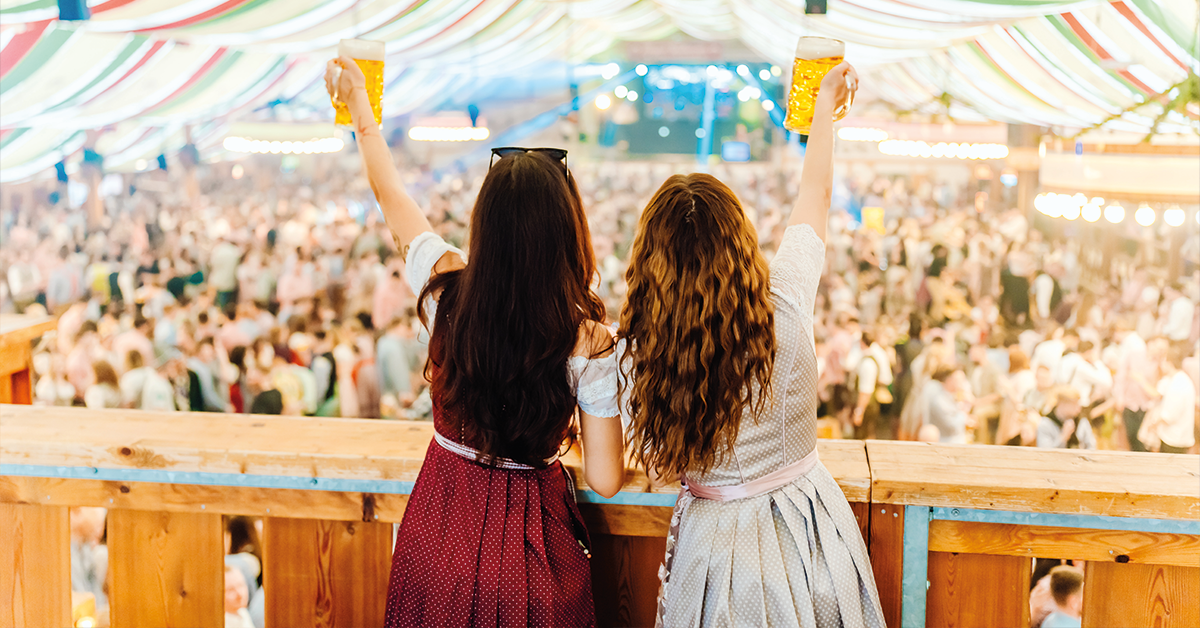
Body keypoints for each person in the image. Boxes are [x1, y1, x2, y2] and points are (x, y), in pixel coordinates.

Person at [327, 56, 625, 626]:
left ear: (484, 220)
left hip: (439, 525)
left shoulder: (445, 289)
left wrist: (362, 114)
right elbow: (606, 480)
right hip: (533, 550)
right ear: (569, 230)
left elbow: (391, 196)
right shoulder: (587, 338)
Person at [620, 62, 883, 626]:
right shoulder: (785, 307)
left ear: (649, 266)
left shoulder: (641, 350)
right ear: (742, 242)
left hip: (709, 547)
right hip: (806, 527)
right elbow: (816, 195)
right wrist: (822, 112)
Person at [1147, 349, 1196, 454]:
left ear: (1169, 363)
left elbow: (1169, 416)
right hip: (1179, 436)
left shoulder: (1177, 385)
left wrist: (1153, 424)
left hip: (1174, 439)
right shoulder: (1180, 379)